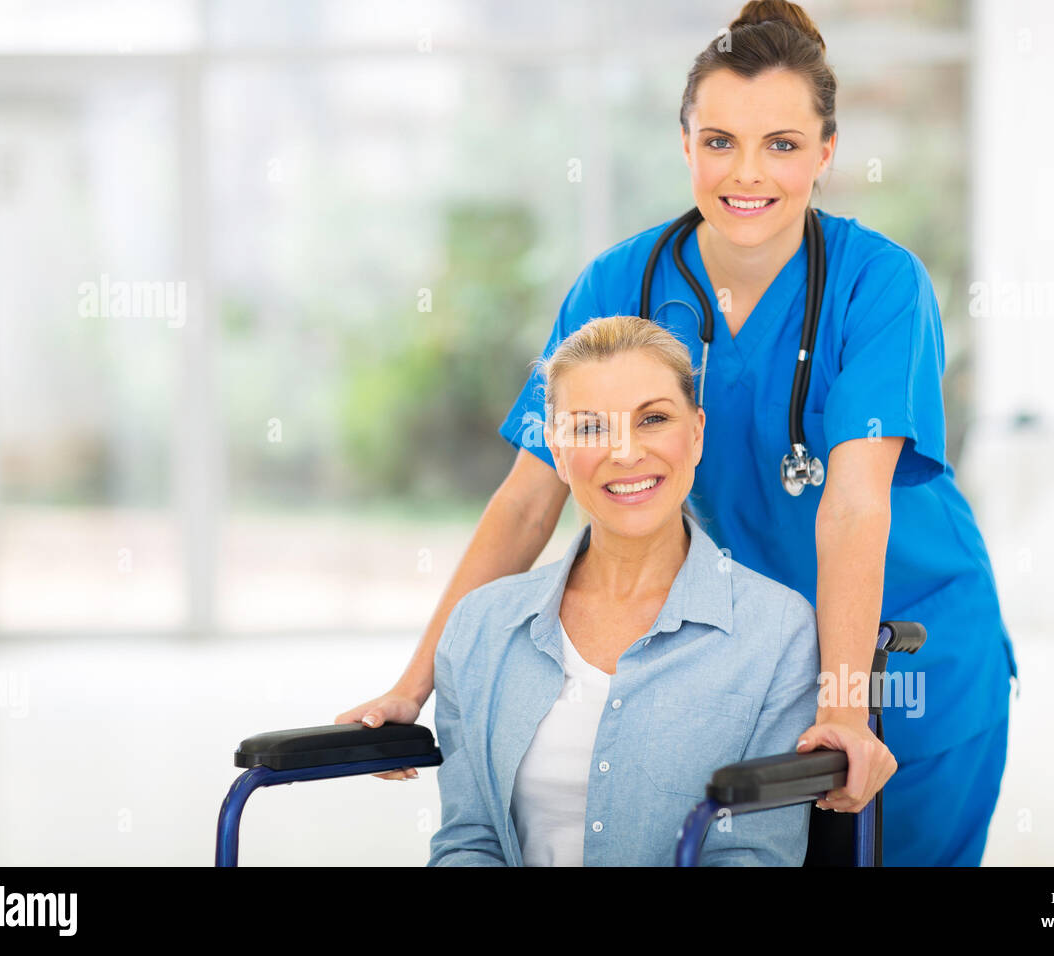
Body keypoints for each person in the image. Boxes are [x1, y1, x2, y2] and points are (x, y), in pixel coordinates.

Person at [339, 0, 1018, 866]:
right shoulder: (619, 284)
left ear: (826, 151)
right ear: (686, 145)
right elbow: (527, 500)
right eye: (720, 141)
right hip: (764, 662)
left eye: (782, 143)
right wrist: (414, 684)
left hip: (912, 644)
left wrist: (847, 703)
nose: (748, 173)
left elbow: (852, 508)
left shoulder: (879, 286)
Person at [428, 315, 820, 866]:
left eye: (653, 418)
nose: (627, 453)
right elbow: (466, 844)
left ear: (697, 433)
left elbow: (753, 856)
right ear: (556, 451)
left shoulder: (777, 633)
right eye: (590, 428)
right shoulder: (480, 628)